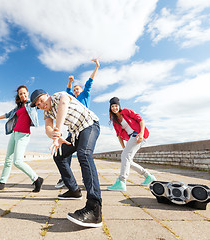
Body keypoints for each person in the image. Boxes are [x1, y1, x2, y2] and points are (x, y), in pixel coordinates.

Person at [30, 89, 102, 228]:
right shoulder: (47, 112)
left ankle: (95, 209)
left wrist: (58, 129)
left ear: (47, 95)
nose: (42, 105)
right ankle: (74, 190)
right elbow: (47, 128)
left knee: (84, 154)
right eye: (38, 105)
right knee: (58, 155)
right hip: (76, 133)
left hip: (89, 125)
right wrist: (54, 135)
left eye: (42, 101)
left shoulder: (58, 96)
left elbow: (64, 103)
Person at [0, 85, 43, 193]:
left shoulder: (32, 104)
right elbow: (8, 114)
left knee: (17, 161)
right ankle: (2, 183)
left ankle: (36, 179)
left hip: (23, 135)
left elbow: (42, 103)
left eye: (24, 93)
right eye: (20, 93)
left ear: (28, 92)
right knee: (8, 160)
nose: (23, 95)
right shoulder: (18, 107)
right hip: (14, 133)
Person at [55, 58, 100, 189]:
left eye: (77, 89)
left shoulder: (85, 94)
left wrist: (96, 66)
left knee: (84, 154)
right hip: (73, 128)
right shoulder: (72, 98)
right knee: (64, 154)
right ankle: (65, 178)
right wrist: (70, 82)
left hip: (86, 125)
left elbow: (90, 82)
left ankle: (87, 180)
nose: (76, 91)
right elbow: (66, 92)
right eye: (75, 90)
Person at [107, 97, 156, 191]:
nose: (114, 108)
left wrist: (141, 133)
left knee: (125, 157)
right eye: (112, 106)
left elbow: (141, 120)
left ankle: (121, 181)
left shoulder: (126, 111)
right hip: (131, 138)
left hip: (138, 135)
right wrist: (124, 148)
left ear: (119, 106)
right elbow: (119, 136)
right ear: (110, 108)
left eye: (116, 106)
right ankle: (148, 176)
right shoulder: (115, 121)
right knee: (127, 160)